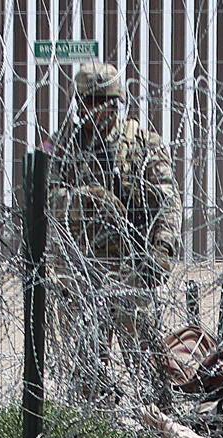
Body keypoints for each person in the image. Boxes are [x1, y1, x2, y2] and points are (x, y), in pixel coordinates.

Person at [46, 60, 179, 401]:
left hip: (130, 267)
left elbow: (168, 201)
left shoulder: (142, 144)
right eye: (85, 103)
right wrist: (86, 200)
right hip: (81, 270)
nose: (90, 111)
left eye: (98, 103)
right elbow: (46, 200)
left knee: (148, 365)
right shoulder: (65, 147)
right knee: (86, 369)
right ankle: (95, 435)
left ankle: (160, 430)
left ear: (114, 103)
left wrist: (161, 251)